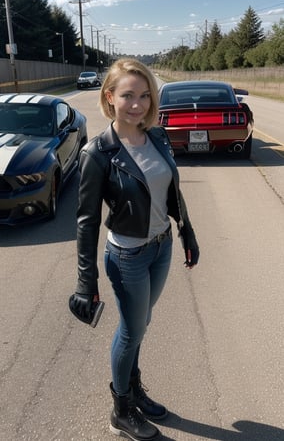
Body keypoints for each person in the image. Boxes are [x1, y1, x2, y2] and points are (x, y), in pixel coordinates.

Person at [69, 58, 199, 441]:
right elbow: (86, 221)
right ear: (110, 97)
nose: (138, 104)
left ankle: (134, 391)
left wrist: (186, 231)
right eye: (128, 96)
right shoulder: (98, 153)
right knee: (131, 330)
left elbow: (172, 190)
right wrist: (84, 281)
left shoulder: (157, 137)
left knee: (142, 325)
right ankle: (121, 410)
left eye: (145, 95)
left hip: (160, 249)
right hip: (126, 255)